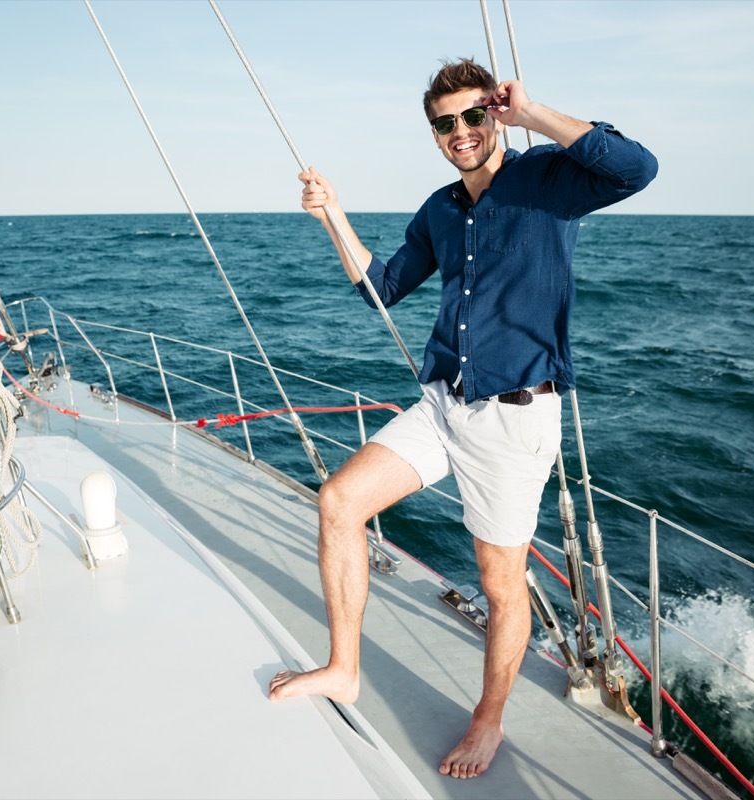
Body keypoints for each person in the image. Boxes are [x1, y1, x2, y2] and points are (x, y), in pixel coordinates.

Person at [268, 59, 657, 780]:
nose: (461, 132)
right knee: (338, 501)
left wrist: (535, 114)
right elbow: (381, 288)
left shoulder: (549, 181)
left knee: (501, 583)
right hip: (444, 403)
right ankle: (343, 669)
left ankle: (488, 720)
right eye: (445, 123)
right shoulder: (440, 210)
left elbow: (637, 168)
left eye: (474, 116)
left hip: (516, 418)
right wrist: (332, 216)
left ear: (495, 114)